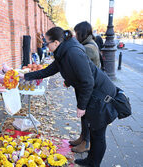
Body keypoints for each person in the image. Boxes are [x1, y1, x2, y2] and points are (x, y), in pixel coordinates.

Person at [19, 27, 118, 167]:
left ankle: (94, 163)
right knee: (92, 128)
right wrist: (26, 76)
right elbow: (50, 70)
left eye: (46, 43)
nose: (45, 46)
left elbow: (88, 81)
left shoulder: (72, 53)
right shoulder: (63, 52)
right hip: (92, 93)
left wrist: (81, 106)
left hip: (102, 95)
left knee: (98, 133)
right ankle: (90, 160)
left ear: (56, 43)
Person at [69, 21, 101, 153]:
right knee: (84, 115)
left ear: (82, 33)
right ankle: (83, 138)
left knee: (86, 115)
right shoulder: (88, 44)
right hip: (86, 86)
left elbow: (78, 68)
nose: (75, 36)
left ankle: (86, 143)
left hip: (89, 88)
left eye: (77, 33)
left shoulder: (88, 48)